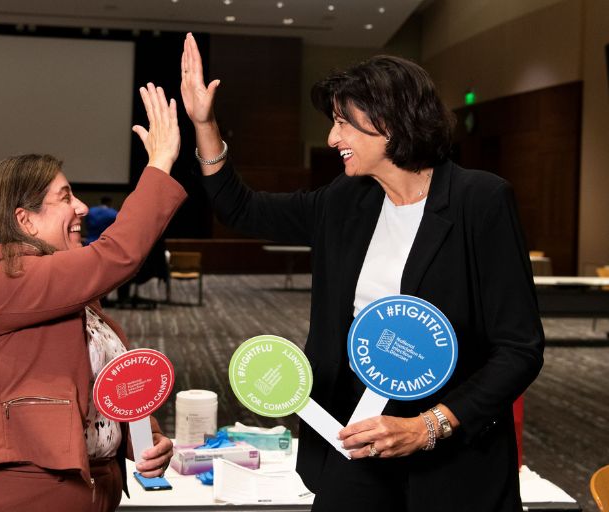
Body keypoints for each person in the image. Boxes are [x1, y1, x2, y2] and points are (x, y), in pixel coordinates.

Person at [180, 33, 544, 512]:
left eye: (342, 122)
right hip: (354, 439)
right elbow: (241, 207)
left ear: (390, 122)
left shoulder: (480, 201)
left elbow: (519, 349)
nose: (333, 139)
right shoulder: (346, 200)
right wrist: (204, 124)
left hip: (450, 451)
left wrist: (427, 427)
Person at [0, 84, 186, 512]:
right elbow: (115, 256)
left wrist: (141, 439)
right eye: (66, 197)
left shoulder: (71, 295)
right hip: (12, 497)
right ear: (24, 220)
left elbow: (92, 387)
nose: (83, 208)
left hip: (87, 493)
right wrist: (159, 164)